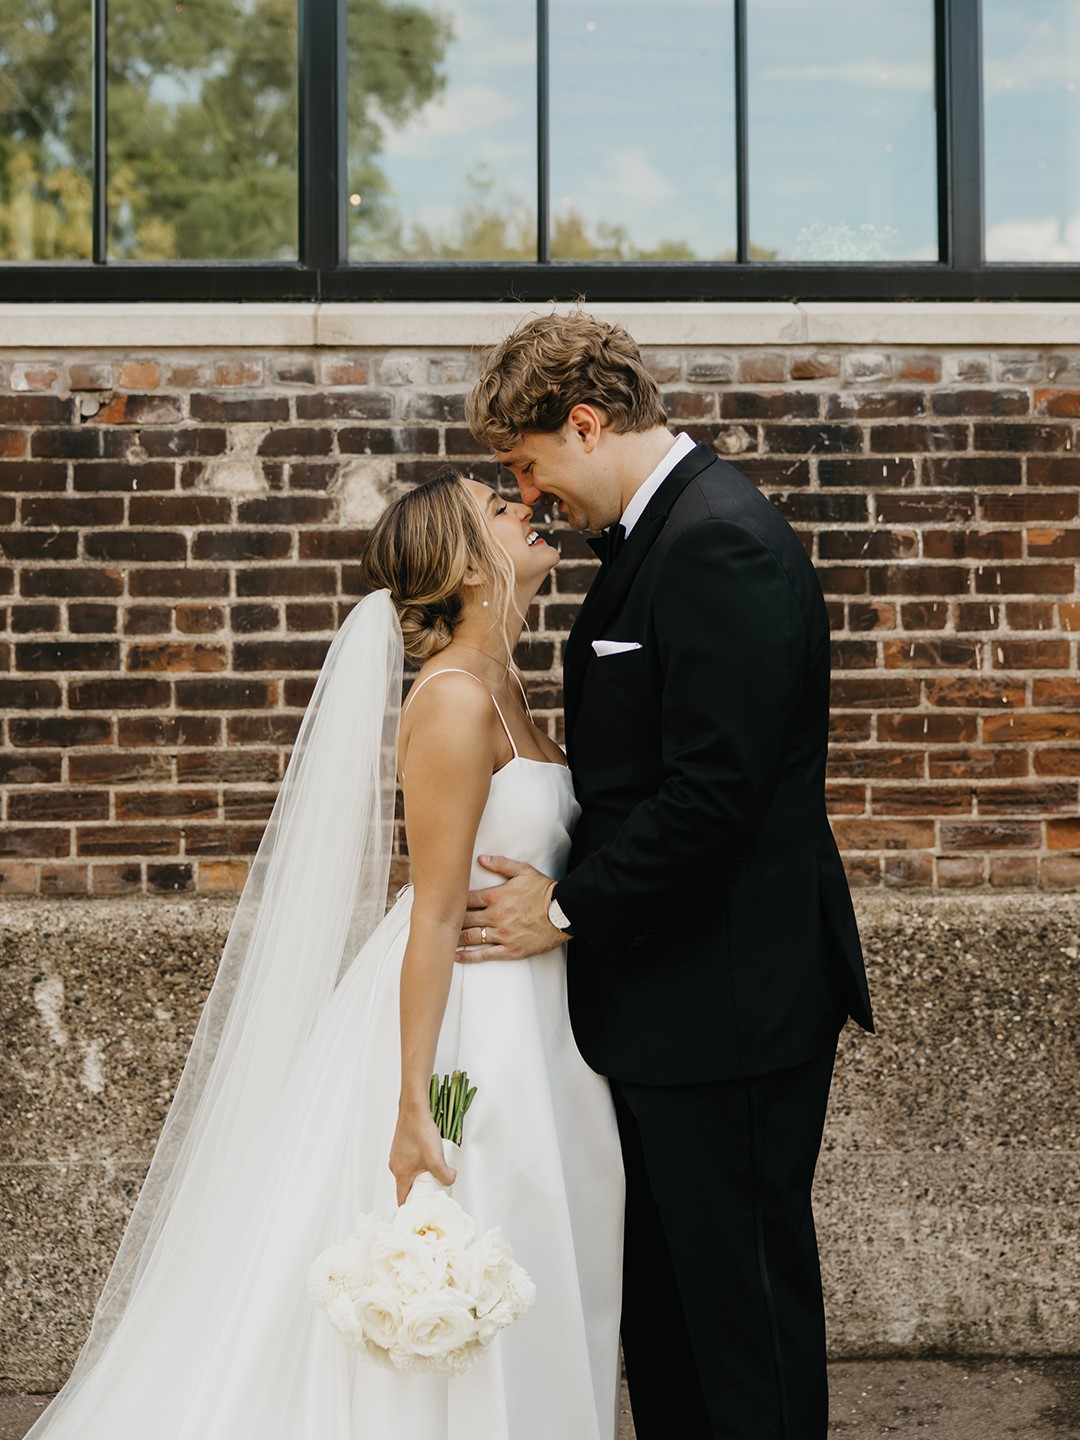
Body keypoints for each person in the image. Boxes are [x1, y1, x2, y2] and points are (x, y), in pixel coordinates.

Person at [24, 471, 623, 1440]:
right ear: (468, 567)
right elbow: (432, 914)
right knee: (486, 1255)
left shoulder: (510, 683)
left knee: (555, 1262)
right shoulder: (455, 704)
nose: (526, 508)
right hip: (473, 1028)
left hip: (540, 1019)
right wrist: (413, 1105)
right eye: (497, 508)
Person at [458, 311, 875, 1440]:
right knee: (675, 1322)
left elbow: (716, 795)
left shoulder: (718, 540)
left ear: (585, 423)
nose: (532, 495)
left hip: (731, 1003)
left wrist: (566, 905)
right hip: (674, 1005)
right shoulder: (664, 538)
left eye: (530, 464)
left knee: (741, 1322)